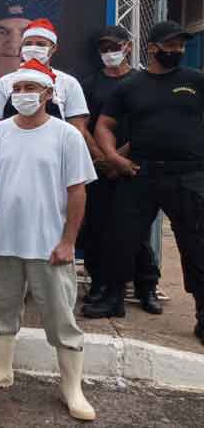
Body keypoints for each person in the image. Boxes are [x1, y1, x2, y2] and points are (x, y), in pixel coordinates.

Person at [0, 59, 97, 421]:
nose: (24, 95)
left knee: (60, 318)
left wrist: (68, 240)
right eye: (18, 88)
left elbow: (77, 192)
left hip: (50, 245)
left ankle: (72, 387)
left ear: (47, 93)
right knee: (1, 310)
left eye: (31, 89)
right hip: (6, 243)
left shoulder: (66, 136)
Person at [91, 21, 204, 343]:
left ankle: (202, 314)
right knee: (121, 238)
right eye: (171, 45)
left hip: (189, 174)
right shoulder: (131, 86)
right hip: (140, 173)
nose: (177, 51)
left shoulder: (195, 81)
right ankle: (113, 300)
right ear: (152, 47)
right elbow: (104, 125)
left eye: (181, 46)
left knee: (197, 246)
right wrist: (113, 157)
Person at [79, 26, 161, 316]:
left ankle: (146, 285)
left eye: (114, 46)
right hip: (97, 166)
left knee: (132, 231)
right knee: (96, 228)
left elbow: (148, 125)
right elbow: (82, 125)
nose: (109, 53)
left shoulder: (142, 82)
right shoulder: (89, 84)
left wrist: (117, 157)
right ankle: (100, 285)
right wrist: (103, 158)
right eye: (103, 48)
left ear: (128, 46)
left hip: (131, 164)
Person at [0, 19, 90, 137]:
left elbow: (77, 128)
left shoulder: (69, 83)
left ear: (53, 48)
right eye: (28, 44)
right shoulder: (4, 83)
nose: (33, 48)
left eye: (40, 44)